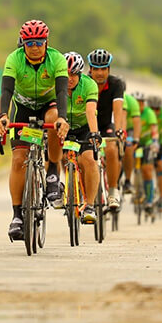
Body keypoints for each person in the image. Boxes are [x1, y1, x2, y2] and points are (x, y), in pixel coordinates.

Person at [0, 20, 69, 241]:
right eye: (29, 43)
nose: (35, 47)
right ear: (22, 43)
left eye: (39, 42)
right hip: (23, 108)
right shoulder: (14, 59)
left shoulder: (57, 59)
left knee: (54, 119)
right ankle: (17, 215)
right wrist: (2, 116)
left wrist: (63, 118)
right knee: (18, 159)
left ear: (46, 42)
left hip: (49, 105)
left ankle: (53, 172)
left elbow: (63, 91)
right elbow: (6, 90)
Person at [60, 52, 102, 222]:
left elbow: (91, 111)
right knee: (55, 157)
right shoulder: (56, 84)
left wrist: (94, 133)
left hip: (84, 127)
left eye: (73, 75)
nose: (69, 79)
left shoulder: (89, 85)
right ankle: (60, 187)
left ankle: (90, 205)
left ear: (79, 74)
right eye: (66, 75)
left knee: (89, 160)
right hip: (63, 126)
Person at [87, 48, 125, 210]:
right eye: (96, 68)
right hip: (87, 125)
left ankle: (113, 191)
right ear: (90, 70)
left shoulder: (116, 84)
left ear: (109, 69)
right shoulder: (84, 82)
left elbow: (118, 110)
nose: (100, 73)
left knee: (111, 149)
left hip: (106, 125)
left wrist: (119, 130)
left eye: (103, 69)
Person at [134, 92, 159, 211]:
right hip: (133, 142)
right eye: (136, 103)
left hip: (147, 144)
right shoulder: (130, 112)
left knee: (147, 169)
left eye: (141, 103)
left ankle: (149, 200)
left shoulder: (149, 113)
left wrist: (155, 141)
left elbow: (154, 129)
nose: (139, 106)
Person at [120, 91, 141, 194]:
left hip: (128, 130)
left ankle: (127, 180)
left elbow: (136, 121)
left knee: (128, 148)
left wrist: (136, 138)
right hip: (110, 125)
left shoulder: (131, 101)